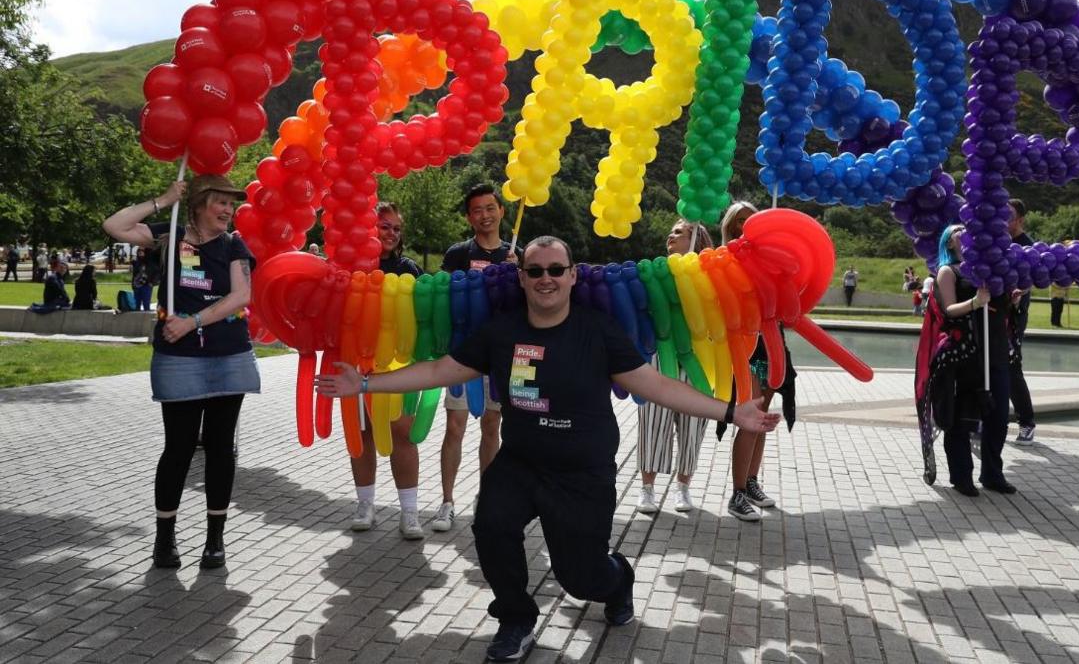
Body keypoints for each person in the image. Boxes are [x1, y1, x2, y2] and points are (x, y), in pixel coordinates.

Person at [314, 236, 779, 661]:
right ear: (522, 278)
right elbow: (439, 372)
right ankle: (516, 618)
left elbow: (654, 384)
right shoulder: (502, 330)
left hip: (583, 470)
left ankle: (617, 580)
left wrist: (730, 412)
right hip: (521, 461)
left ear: (573, 275)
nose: (546, 279)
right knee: (491, 526)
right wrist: (365, 384)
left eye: (556, 270)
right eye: (535, 271)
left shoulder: (598, 330)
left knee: (580, 579)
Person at [103, 174, 261, 570]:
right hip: (179, 359)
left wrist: (193, 321)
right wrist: (161, 200)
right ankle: (165, 539)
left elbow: (241, 295)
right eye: (219, 202)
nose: (228, 210)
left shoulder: (234, 244)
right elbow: (114, 226)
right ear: (197, 203)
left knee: (222, 449)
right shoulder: (169, 235)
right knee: (179, 447)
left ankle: (215, 541)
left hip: (228, 355)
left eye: (231, 203)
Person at [433, 183, 519, 533]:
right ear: (469, 217)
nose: (484, 215)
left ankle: (487, 498)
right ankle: (447, 501)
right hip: (463, 355)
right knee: (455, 427)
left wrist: (519, 273)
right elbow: (443, 298)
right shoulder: (458, 254)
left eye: (490, 208)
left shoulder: (518, 254)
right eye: (477, 210)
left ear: (501, 211)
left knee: (491, 427)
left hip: (501, 358)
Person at [348, 202, 426, 539]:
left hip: (397, 364)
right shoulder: (350, 265)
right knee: (362, 436)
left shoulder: (409, 269)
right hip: (355, 361)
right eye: (384, 226)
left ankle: (409, 512)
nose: (391, 233)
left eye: (396, 228)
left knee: (402, 434)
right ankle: (365, 504)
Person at [927, 223, 1019, 496]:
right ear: (950, 242)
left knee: (999, 417)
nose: (965, 231)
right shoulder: (948, 271)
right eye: (958, 230)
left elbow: (997, 312)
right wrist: (975, 302)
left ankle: (992, 473)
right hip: (966, 356)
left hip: (997, 352)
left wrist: (1009, 301)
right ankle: (961, 475)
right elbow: (949, 310)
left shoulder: (989, 270)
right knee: (962, 418)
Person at [635, 218, 714, 515]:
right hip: (660, 355)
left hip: (699, 359)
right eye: (671, 230)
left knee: (693, 425)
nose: (671, 234)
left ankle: (683, 487)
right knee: (652, 421)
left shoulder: (710, 273)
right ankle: (647, 489)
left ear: (697, 240)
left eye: (679, 232)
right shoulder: (657, 272)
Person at [717, 201, 789, 521]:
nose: (743, 225)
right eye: (738, 220)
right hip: (742, 345)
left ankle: (751, 481)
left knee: (761, 415)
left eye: (750, 220)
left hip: (768, 344)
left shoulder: (768, 258)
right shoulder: (724, 259)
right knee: (751, 414)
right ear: (729, 225)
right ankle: (737, 493)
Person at [1006, 199, 1036, 446]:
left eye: (1009, 215)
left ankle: (1026, 422)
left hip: (1014, 315)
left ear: (1020, 219)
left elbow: (1029, 281)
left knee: (1012, 368)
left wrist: (1018, 295)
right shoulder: (997, 241)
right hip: (993, 311)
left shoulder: (1028, 247)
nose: (1003, 218)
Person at [131, 247, 159, 312]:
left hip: (146, 285)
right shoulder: (136, 262)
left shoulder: (150, 263)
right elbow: (134, 275)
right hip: (137, 286)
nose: (140, 252)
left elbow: (157, 273)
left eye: (142, 251)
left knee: (146, 305)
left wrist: (152, 283)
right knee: (136, 306)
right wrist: (133, 285)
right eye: (139, 251)